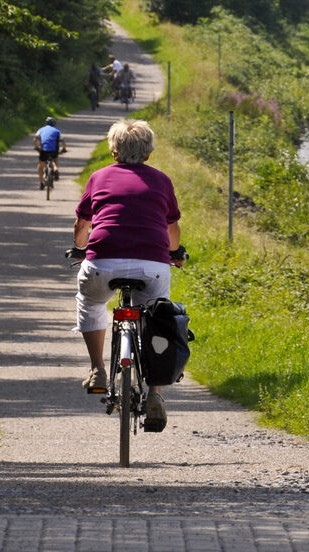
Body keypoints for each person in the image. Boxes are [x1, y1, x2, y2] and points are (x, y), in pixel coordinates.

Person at [72, 119, 184, 432]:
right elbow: (172, 228)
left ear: (113, 150)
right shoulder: (162, 180)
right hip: (152, 265)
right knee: (156, 317)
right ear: (148, 153)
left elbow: (82, 224)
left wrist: (80, 248)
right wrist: (175, 253)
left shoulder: (98, 177)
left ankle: (97, 370)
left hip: (103, 261)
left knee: (91, 303)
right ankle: (155, 393)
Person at [34, 117, 67, 188]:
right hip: (54, 150)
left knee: (40, 165)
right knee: (54, 161)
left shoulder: (41, 129)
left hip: (44, 150)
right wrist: (64, 149)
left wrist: (36, 147)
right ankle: (55, 169)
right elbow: (63, 142)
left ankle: (41, 183)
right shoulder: (57, 131)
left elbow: (35, 139)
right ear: (54, 124)